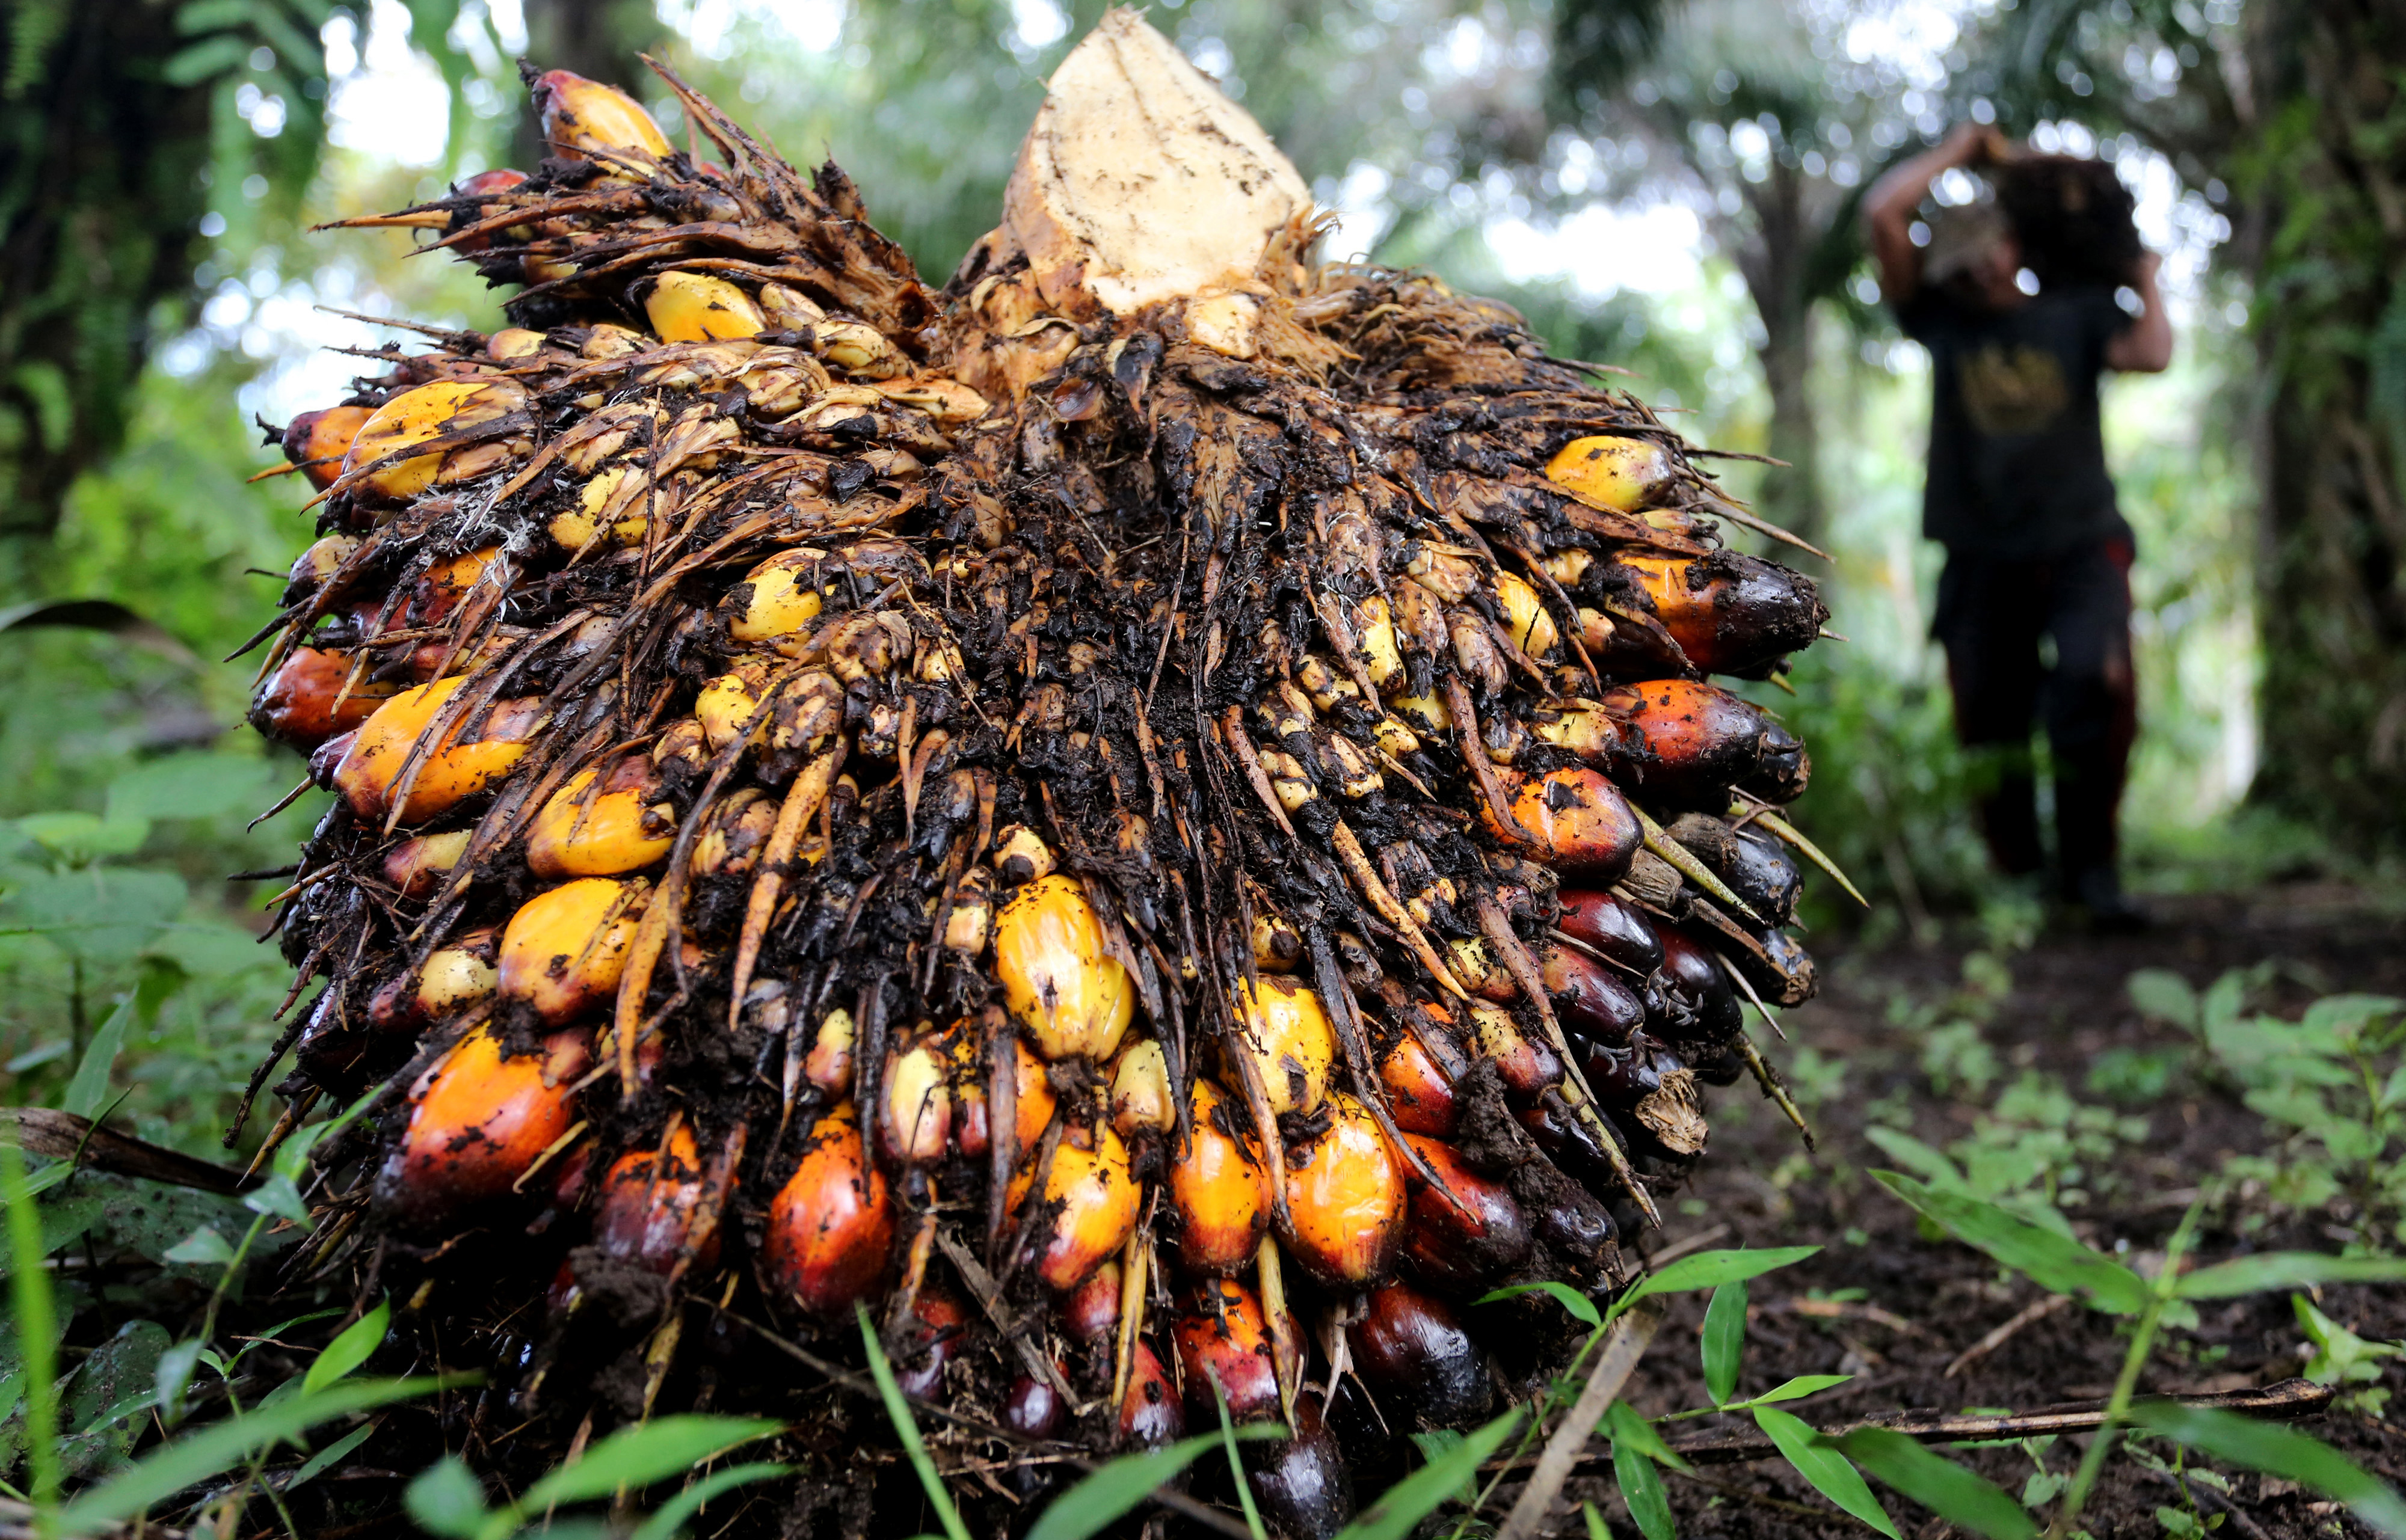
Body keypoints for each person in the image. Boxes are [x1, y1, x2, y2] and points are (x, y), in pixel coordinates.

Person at [1863, 123, 2173, 930]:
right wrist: (1963, 153)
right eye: (1965, 249)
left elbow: (2153, 354)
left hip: (2081, 544)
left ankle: (2092, 874)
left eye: (1991, 242)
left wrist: (2147, 278)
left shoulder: (2075, 314)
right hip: (1979, 552)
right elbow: (1883, 217)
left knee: (2094, 682)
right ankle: (2023, 884)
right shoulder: (1938, 319)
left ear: (2015, 245)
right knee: (1988, 715)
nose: (1982, 260)